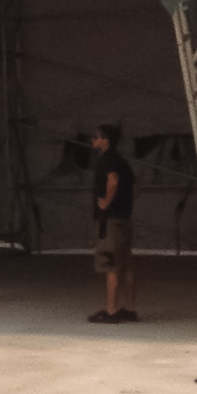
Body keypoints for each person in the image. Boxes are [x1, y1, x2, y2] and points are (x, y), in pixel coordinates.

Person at [88, 123, 137, 323]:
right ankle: (129, 308)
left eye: (96, 137)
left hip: (110, 221)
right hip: (124, 219)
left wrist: (106, 203)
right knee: (126, 266)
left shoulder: (107, 160)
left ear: (105, 140)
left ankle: (111, 310)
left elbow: (113, 180)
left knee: (110, 265)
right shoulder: (122, 161)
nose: (93, 140)